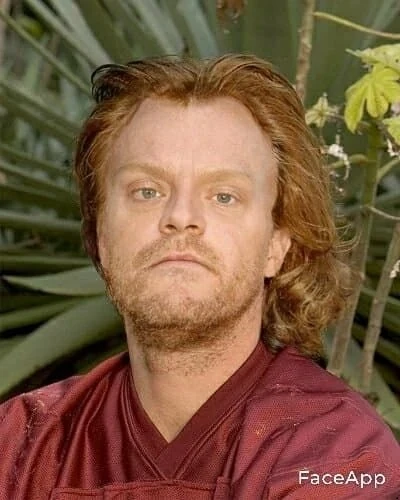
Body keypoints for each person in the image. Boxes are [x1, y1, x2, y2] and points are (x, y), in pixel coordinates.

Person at [0, 54, 399, 500]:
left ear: (276, 245)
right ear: (101, 236)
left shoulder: (339, 454)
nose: (181, 216)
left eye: (224, 196)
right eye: (147, 191)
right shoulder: (21, 446)